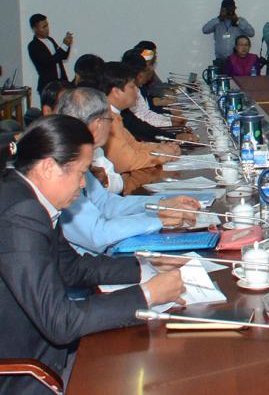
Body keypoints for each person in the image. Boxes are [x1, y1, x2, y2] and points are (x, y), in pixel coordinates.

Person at [0, 115, 185, 394]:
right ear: (49, 167)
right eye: (81, 173)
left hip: (47, 353)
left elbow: (72, 268)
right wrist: (147, 295)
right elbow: (60, 322)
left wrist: (146, 267)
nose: (84, 185)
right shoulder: (21, 214)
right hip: (27, 371)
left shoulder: (31, 197)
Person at [55, 87, 199, 255]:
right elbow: (97, 235)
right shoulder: (64, 164)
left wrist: (162, 204)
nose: (111, 128)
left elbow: (105, 203)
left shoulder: (78, 156)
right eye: (110, 120)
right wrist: (159, 219)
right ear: (97, 124)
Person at [100, 62, 179, 176]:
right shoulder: (106, 119)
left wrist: (162, 147)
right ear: (116, 92)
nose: (137, 90)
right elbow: (126, 162)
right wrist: (162, 155)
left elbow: (135, 146)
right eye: (132, 86)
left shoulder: (114, 115)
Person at [27, 13, 73, 97]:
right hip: (48, 86)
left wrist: (67, 44)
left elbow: (63, 56)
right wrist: (64, 46)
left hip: (61, 83)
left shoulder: (50, 40)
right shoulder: (33, 45)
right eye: (43, 27)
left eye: (47, 25)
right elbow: (49, 62)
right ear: (35, 29)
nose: (47, 29)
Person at [201, 0, 255, 65]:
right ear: (222, 9)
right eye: (227, 9)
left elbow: (251, 33)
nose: (229, 11)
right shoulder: (217, 22)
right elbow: (205, 30)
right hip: (220, 60)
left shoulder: (240, 21)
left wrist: (238, 21)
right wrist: (219, 18)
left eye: (231, 9)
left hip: (237, 60)